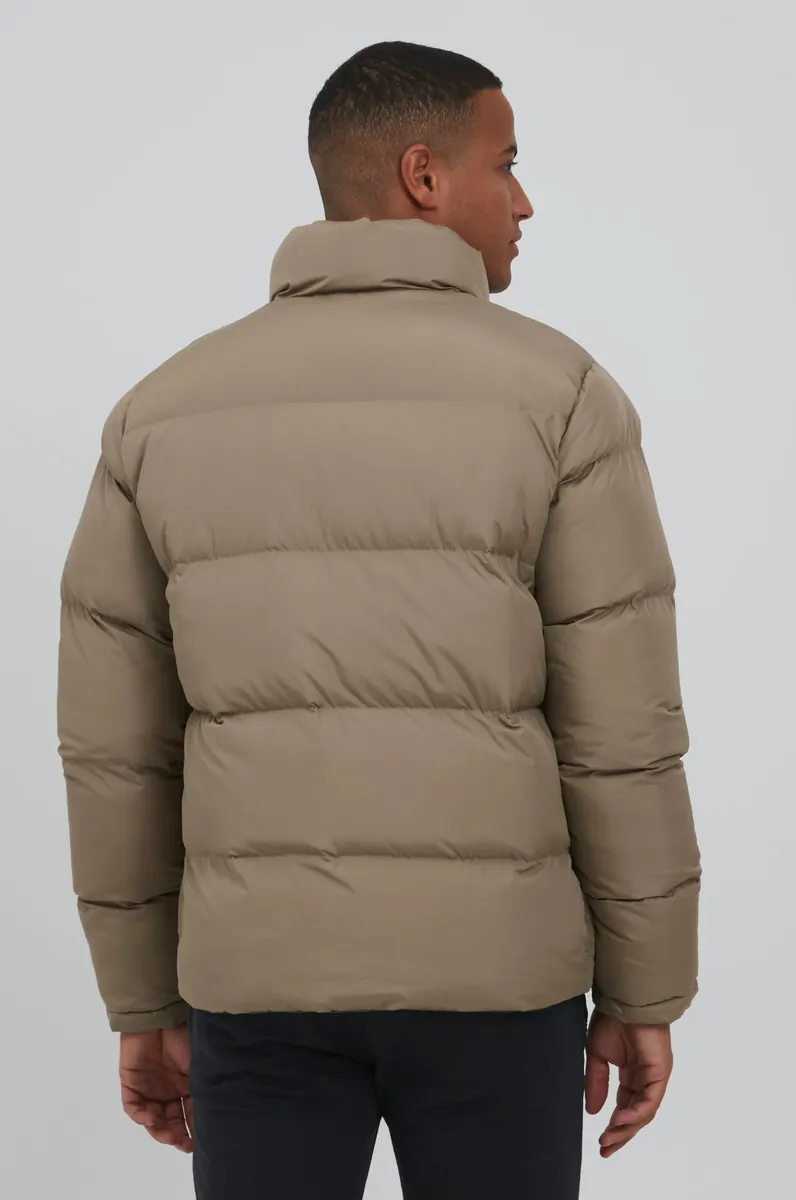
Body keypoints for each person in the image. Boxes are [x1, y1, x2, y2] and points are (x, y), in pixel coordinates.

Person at [57, 40, 701, 1200]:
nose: (523, 201)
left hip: (257, 984)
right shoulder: (561, 398)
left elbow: (116, 755)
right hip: (498, 984)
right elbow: (621, 735)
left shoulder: (159, 413)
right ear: (422, 176)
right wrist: (643, 990)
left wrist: (142, 1002)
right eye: (506, 163)